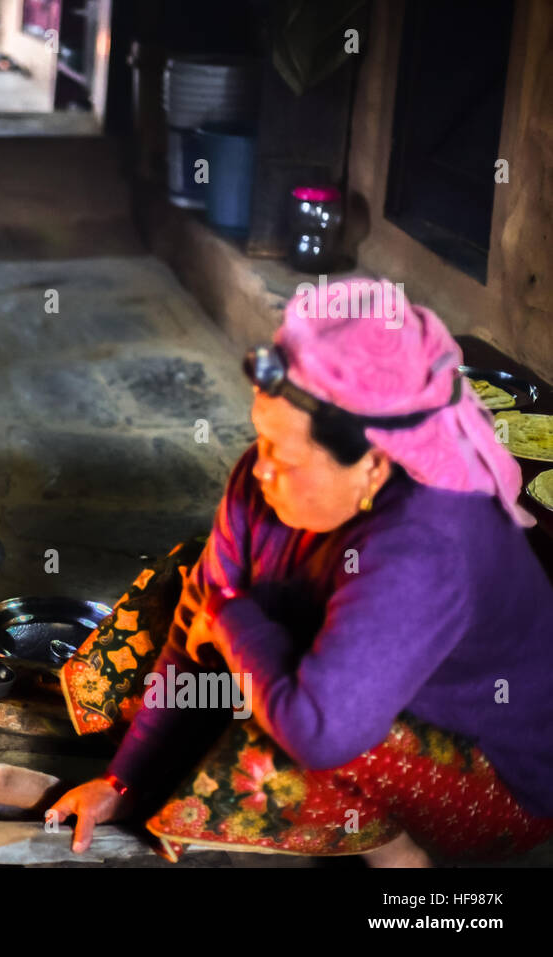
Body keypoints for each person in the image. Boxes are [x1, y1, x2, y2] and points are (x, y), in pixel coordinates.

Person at [51, 278, 553, 866]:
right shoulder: (264, 477)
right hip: (348, 667)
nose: (258, 471)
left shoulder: (429, 542)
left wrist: (232, 616)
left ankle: (400, 858)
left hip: (497, 774)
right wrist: (126, 781)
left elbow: (320, 730)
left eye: (283, 457)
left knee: (290, 737)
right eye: (260, 440)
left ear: (371, 463)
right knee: (191, 572)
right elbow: (198, 618)